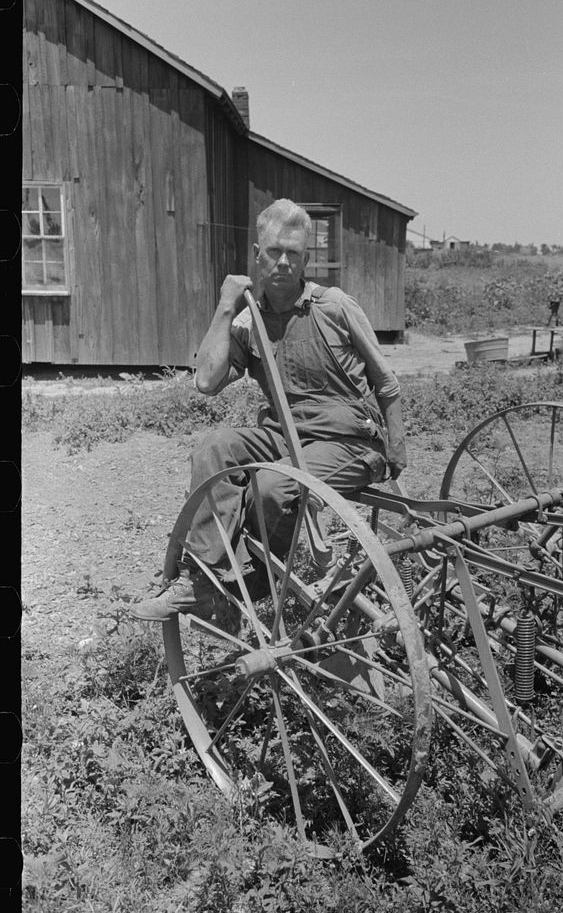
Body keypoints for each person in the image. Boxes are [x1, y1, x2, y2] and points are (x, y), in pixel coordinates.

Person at [131, 198, 407, 622]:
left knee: (271, 487)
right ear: (258, 256)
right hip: (284, 434)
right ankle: (203, 583)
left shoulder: (334, 307)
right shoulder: (248, 323)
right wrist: (226, 307)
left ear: (306, 259)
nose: (283, 262)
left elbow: (385, 381)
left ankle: (256, 582)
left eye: (293, 253)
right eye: (274, 251)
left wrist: (396, 449)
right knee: (213, 447)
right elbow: (206, 382)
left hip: (348, 441)